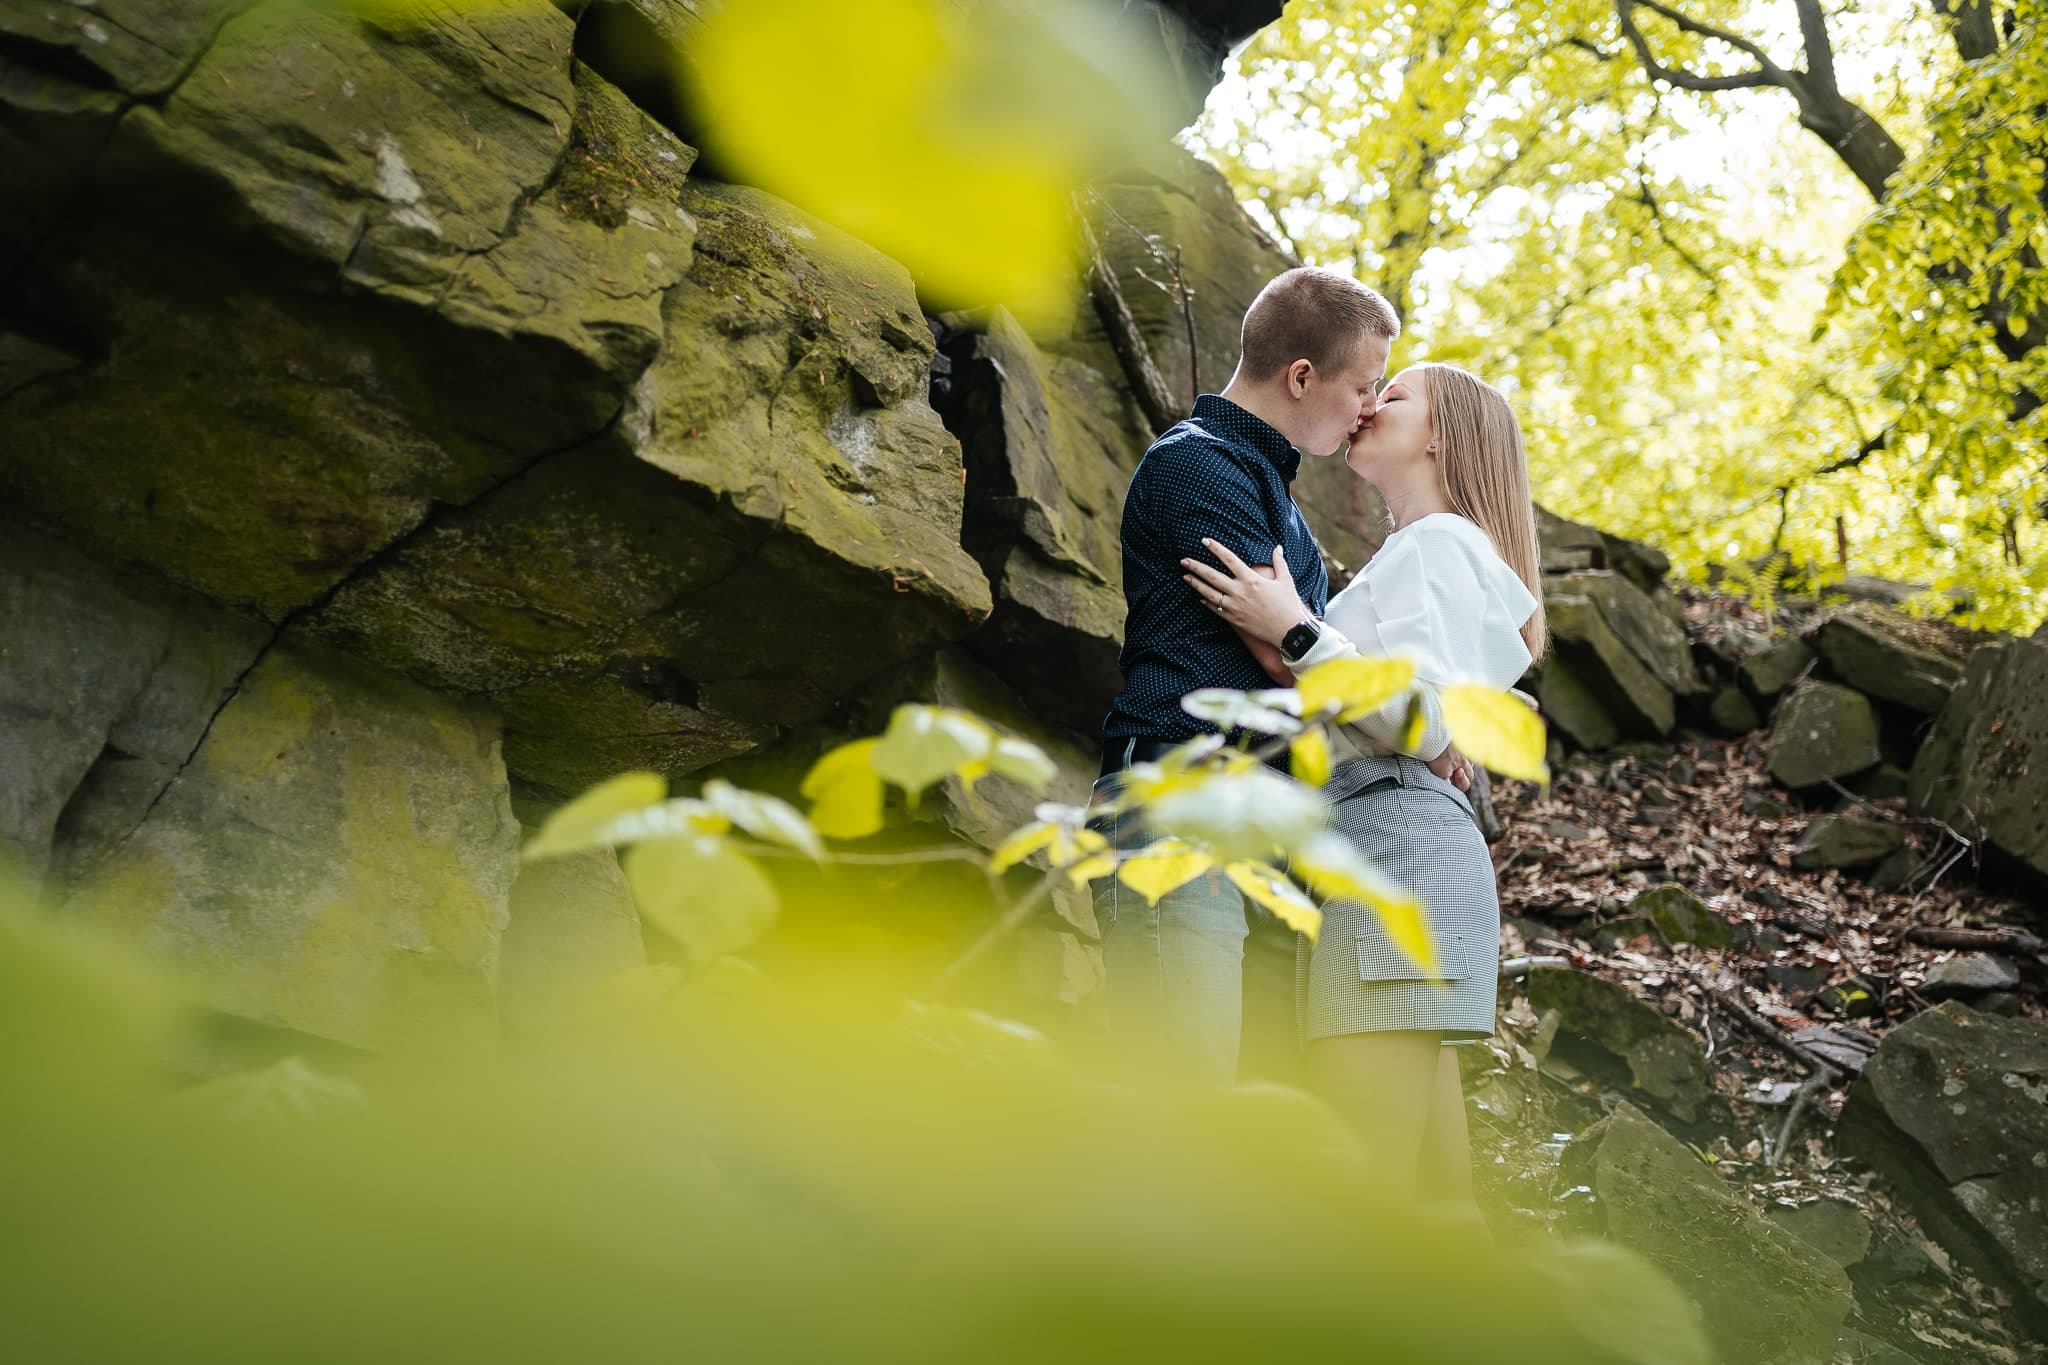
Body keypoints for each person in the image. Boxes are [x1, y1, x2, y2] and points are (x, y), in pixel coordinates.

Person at [1179, 362, 1546, 1201]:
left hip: (1396, 849)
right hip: (1403, 846)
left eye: (1398, 395)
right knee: (1434, 1195)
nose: (1373, 405)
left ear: (1441, 435)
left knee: (1362, 1190)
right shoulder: (1435, 550)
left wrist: (1295, 631)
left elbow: (1421, 720)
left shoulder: (1439, 541)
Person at [1091, 266, 1464, 1089]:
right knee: (1179, 1103)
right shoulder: (1200, 467)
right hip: (1178, 805)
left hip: (1260, 827)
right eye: (1364, 384)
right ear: (1302, 376)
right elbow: (1276, 650)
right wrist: (1408, 728)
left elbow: (1300, 648)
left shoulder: (1278, 499)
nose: (1370, 405)